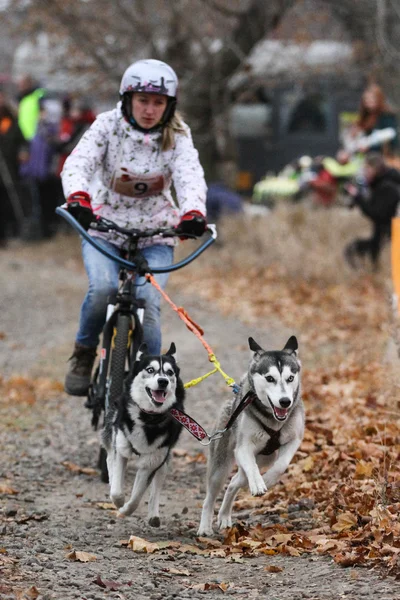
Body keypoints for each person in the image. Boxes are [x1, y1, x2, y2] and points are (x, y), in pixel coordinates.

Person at [61, 59, 207, 396]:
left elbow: (189, 176)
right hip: (103, 229)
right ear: (128, 99)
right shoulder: (106, 126)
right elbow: (79, 163)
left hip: (157, 232)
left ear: (169, 106)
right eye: (143, 100)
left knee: (148, 301)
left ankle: (149, 374)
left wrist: (193, 212)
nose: (149, 110)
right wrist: (79, 198)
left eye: (158, 103)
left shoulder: (178, 136)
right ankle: (84, 354)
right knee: (101, 290)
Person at [343, 152, 400, 269]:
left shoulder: (388, 187)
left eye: (366, 169)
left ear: (376, 169)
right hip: (385, 236)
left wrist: (358, 197)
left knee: (353, 251)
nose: (364, 173)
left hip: (390, 237)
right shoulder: (381, 184)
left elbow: (377, 214)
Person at [0, 90, 28, 246]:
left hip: (9, 170)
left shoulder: (11, 121)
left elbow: (22, 141)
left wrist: (23, 152)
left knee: (9, 202)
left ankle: (8, 234)